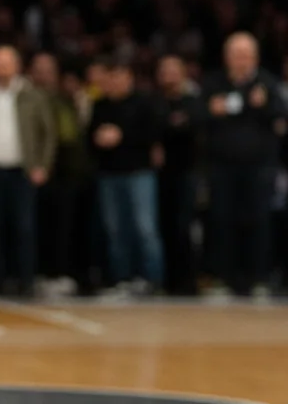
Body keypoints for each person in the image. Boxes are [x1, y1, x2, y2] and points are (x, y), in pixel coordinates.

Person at [201, 33, 286, 299]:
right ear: (227, 57)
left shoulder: (267, 84)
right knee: (222, 221)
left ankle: (258, 279)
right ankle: (225, 280)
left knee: (258, 222)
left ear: (255, 57)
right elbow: (195, 114)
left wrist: (265, 105)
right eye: (236, 54)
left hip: (259, 167)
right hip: (222, 166)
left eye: (246, 54)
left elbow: (281, 116)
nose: (241, 60)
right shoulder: (213, 83)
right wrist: (210, 110)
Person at [0, 45, 56, 296]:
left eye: (7, 62)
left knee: (24, 228)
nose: (2, 67)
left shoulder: (33, 95)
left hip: (23, 170)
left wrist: (43, 165)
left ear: (17, 66)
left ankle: (25, 281)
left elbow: (47, 133)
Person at [88, 59, 163, 296]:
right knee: (115, 230)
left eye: (120, 77)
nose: (116, 82)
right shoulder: (100, 106)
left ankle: (152, 279)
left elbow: (151, 135)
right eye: (112, 77)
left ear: (129, 78)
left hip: (139, 173)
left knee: (144, 227)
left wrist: (121, 135)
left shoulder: (143, 103)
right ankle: (122, 278)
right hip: (109, 174)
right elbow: (89, 136)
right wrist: (98, 138)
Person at [30, 53, 91, 297]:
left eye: (49, 69)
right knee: (37, 227)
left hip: (68, 173)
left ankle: (64, 274)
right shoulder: (28, 99)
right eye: (39, 69)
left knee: (65, 227)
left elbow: (71, 135)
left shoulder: (68, 99)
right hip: (37, 172)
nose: (44, 74)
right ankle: (41, 273)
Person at [154, 55, 204, 295]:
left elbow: (191, 127)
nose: (169, 75)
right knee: (165, 226)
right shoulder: (156, 101)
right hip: (161, 175)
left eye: (174, 70)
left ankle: (189, 281)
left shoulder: (193, 100)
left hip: (188, 171)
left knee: (184, 227)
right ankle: (168, 281)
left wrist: (171, 128)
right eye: (165, 70)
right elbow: (156, 128)